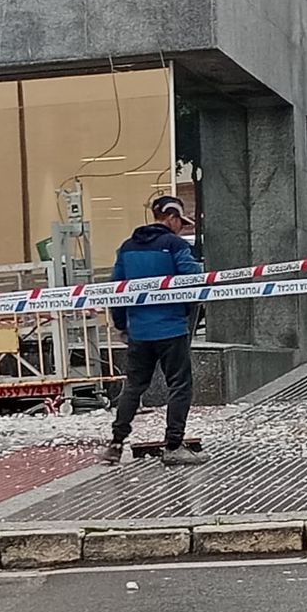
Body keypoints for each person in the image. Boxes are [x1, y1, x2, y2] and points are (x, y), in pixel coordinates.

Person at [100, 196, 211, 467]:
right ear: (171, 218)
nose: (181, 228)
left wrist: (122, 325)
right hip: (171, 329)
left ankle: (115, 444)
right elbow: (192, 278)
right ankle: (173, 446)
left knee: (133, 387)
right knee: (179, 386)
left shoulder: (127, 248)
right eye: (180, 222)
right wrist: (190, 306)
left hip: (139, 332)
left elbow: (116, 289)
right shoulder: (174, 245)